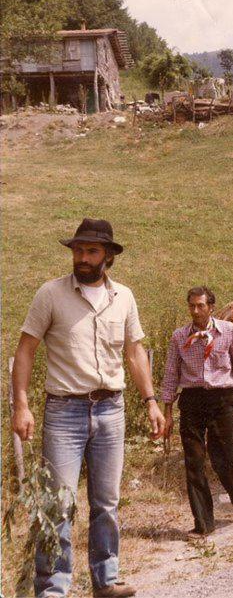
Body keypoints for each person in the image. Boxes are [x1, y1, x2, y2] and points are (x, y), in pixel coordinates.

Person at [11, 218, 165, 598]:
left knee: (107, 503)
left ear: (108, 256)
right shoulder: (50, 294)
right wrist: (21, 405)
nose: (82, 257)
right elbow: (26, 350)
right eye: (78, 250)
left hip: (111, 411)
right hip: (64, 412)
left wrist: (151, 402)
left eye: (91, 250)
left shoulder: (124, 297)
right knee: (58, 503)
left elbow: (134, 353)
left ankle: (106, 580)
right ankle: (52, 588)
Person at [162, 286, 233, 538]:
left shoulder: (228, 331)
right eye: (191, 305)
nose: (195, 310)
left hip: (221, 399)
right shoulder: (179, 337)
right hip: (192, 401)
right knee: (194, 462)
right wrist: (167, 411)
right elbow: (171, 374)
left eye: (201, 305)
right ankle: (203, 524)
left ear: (211, 307)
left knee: (223, 457)